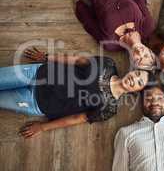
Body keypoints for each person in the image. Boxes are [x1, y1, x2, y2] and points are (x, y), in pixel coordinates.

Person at [0, 47, 152, 139]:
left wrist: (43, 127)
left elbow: (76, 118)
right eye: (137, 74)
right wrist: (47, 57)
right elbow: (79, 60)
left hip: (36, 102)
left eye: (139, 83)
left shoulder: (109, 108)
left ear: (137, 92)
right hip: (37, 73)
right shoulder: (108, 64)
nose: (134, 79)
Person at [65, 0, 156, 70]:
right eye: (146, 55)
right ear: (149, 50)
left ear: (131, 61)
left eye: (138, 60)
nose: (140, 53)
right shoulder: (147, 27)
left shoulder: (110, 44)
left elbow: (89, 22)